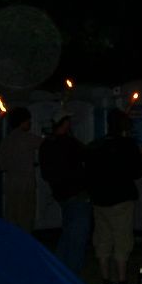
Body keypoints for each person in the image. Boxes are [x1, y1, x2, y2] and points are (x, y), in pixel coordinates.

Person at [86, 109, 142, 284]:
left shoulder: (95, 145)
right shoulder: (128, 145)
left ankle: (106, 283)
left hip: (99, 201)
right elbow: (138, 172)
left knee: (103, 240)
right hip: (121, 200)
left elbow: (88, 173)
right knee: (122, 241)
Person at [39, 109, 91, 273]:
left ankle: (59, 268)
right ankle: (72, 273)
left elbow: (45, 174)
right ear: (65, 123)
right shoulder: (69, 143)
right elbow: (87, 154)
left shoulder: (46, 144)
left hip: (61, 195)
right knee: (78, 236)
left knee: (68, 232)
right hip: (77, 193)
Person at [0, 107, 42, 234]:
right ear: (22, 122)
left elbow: (2, 165)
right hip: (26, 184)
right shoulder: (28, 138)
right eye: (28, 121)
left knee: (12, 216)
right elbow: (47, 144)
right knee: (26, 218)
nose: (30, 124)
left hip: (11, 184)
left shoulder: (6, 140)